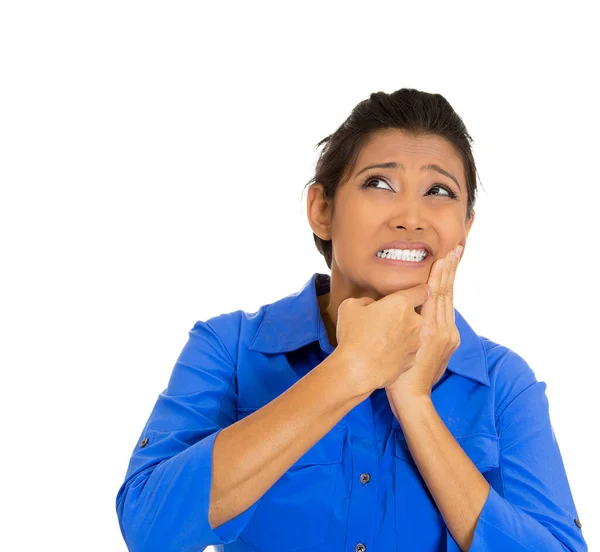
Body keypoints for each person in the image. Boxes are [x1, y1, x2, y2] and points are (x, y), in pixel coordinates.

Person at [115, 88, 588, 551]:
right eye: (380, 183)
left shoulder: (504, 384)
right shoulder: (229, 348)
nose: (411, 216)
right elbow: (149, 529)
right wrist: (350, 371)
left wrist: (415, 403)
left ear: (465, 228)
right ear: (323, 210)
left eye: (439, 191)